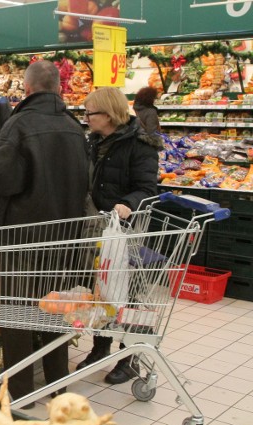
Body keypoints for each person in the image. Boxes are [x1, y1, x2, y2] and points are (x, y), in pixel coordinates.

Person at [0, 61, 89, 405]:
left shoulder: (19, 124)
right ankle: (56, 386)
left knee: (16, 315)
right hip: (65, 235)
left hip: (22, 238)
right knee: (54, 311)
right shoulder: (72, 126)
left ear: (28, 87)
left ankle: (21, 394)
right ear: (56, 87)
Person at [76, 87, 162, 384]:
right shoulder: (94, 141)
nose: (85, 118)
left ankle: (130, 358)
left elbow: (148, 189)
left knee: (130, 296)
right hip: (97, 227)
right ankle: (101, 347)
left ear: (109, 115)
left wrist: (128, 204)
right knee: (100, 291)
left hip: (126, 230)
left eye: (90, 113)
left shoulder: (140, 144)